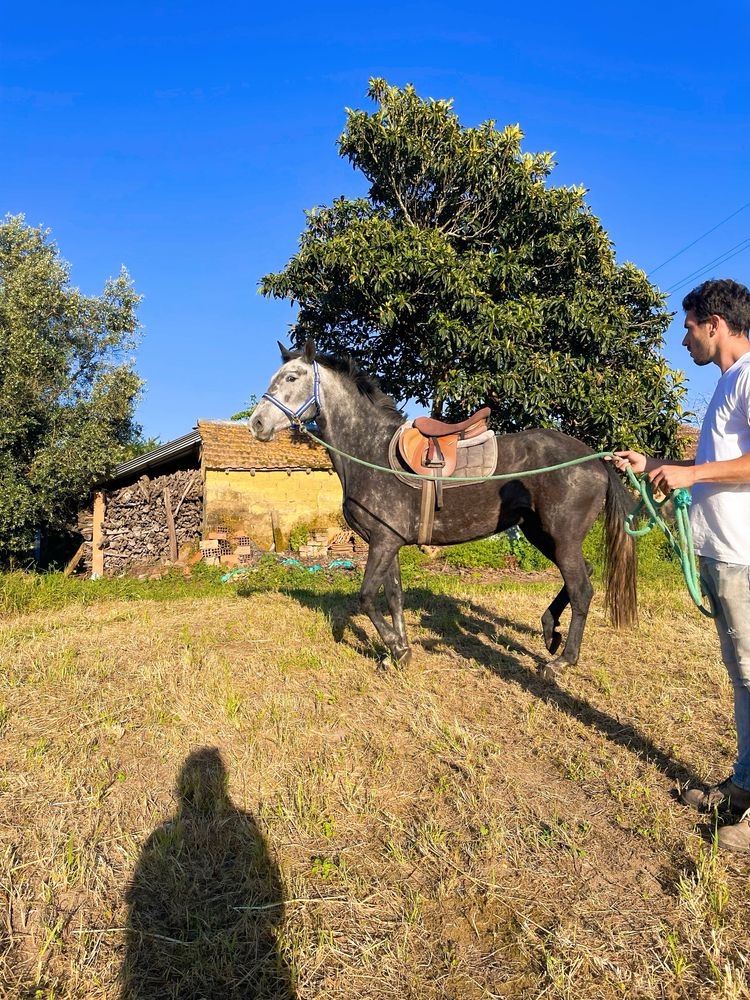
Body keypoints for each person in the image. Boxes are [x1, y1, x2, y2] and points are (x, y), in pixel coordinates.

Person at [613, 277, 750, 853]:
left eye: (689, 327)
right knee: (743, 678)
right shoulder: (726, 386)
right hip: (722, 553)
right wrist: (656, 465)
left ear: (714, 324)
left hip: (745, 555)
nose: (684, 338)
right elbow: (719, 464)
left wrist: (691, 474)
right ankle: (744, 785)